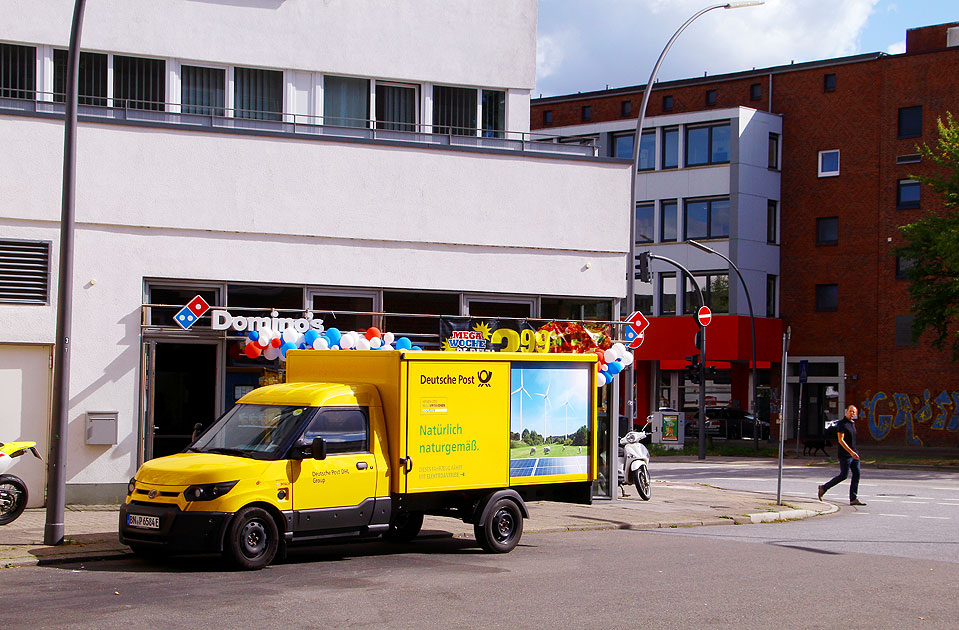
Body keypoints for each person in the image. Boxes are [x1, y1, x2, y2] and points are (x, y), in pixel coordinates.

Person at [818, 405, 866, 505]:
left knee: (856, 475)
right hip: (845, 455)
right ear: (846, 412)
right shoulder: (842, 424)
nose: (852, 413)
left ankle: (853, 499)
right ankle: (824, 487)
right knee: (843, 475)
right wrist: (851, 452)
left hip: (854, 454)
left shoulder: (852, 423)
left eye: (854, 412)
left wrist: (854, 452)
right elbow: (841, 440)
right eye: (850, 411)